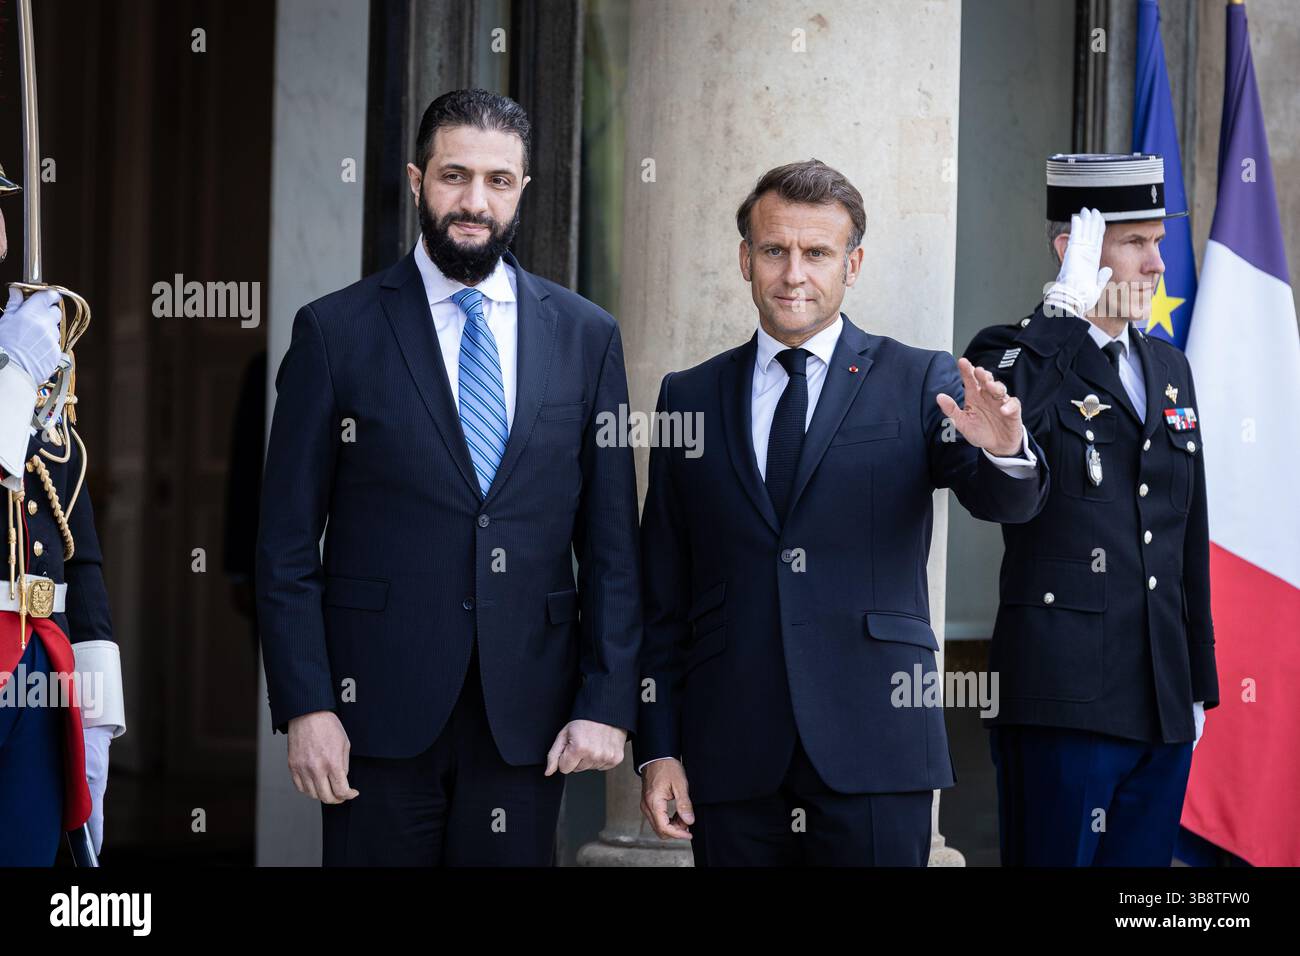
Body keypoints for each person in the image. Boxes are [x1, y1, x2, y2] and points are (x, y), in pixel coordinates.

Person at [256, 90, 642, 866]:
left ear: (523, 190)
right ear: (414, 179)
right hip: (374, 711)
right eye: (453, 175)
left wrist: (606, 702)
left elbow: (611, 545)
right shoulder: (336, 331)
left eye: (498, 181)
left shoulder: (586, 336)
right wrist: (308, 704)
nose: (474, 201)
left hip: (529, 719)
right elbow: (285, 544)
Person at [635, 159, 1049, 866]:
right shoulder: (690, 396)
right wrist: (658, 749)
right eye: (775, 250)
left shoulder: (921, 379)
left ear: (852, 265)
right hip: (732, 751)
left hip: (877, 745)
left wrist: (1008, 449)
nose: (794, 273)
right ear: (746, 259)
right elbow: (662, 591)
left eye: (817, 253)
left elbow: (1002, 501)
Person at [962, 153, 1218, 866]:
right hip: (1062, 697)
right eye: (1134, 243)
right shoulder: (1013, 352)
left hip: (1162, 697)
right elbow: (996, 484)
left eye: (1157, 242)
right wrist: (1062, 317)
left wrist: (1198, 681)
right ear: (1070, 250)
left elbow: (1186, 529)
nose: (1156, 265)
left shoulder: (1169, 368)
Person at [0, 164, 124, 865]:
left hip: (37, 668)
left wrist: (100, 705)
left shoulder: (26, 351)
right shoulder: (16, 358)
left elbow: (75, 541)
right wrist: (12, 374)